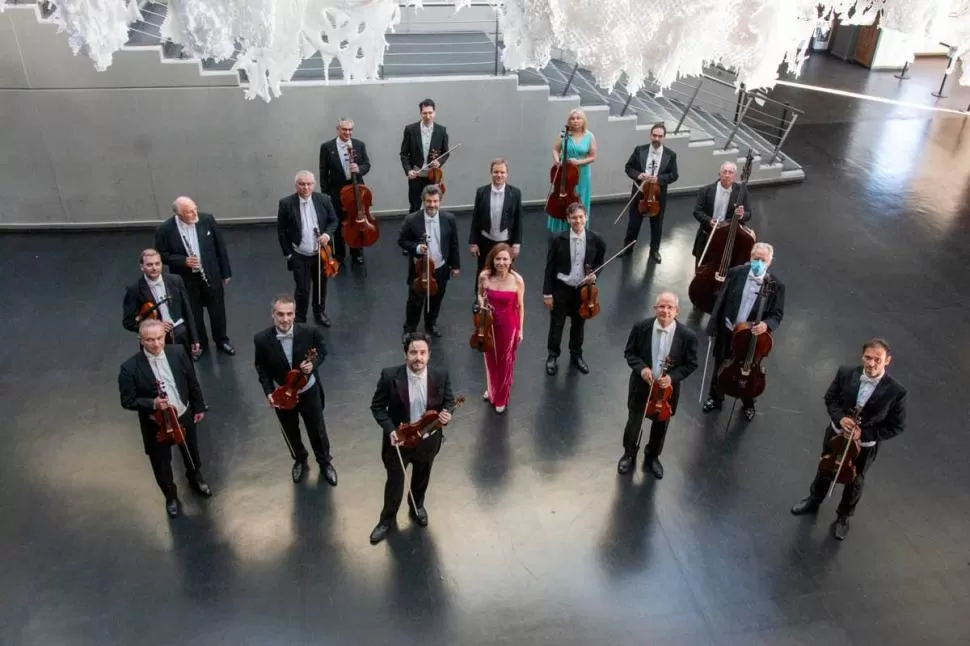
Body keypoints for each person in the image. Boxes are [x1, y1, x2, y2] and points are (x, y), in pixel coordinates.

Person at [790, 339, 907, 541]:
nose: (871, 364)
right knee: (826, 466)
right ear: (862, 356)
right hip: (836, 434)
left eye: (877, 360)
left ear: (887, 360)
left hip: (863, 446)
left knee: (855, 479)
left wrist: (864, 434)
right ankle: (814, 499)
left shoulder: (897, 391)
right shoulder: (845, 372)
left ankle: (843, 516)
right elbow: (830, 399)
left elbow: (896, 426)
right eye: (867, 358)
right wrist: (840, 418)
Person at [118, 319, 212, 518]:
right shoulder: (129, 368)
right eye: (150, 340)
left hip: (183, 413)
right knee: (161, 463)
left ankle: (195, 476)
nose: (156, 343)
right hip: (156, 424)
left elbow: (191, 380)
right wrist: (152, 403)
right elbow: (127, 401)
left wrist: (198, 406)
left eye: (160, 338)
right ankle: (170, 495)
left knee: (191, 450)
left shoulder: (178, 352)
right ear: (140, 340)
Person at [368, 332, 455, 544]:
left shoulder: (441, 375)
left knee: (422, 476)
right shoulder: (389, 376)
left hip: (428, 439)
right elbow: (377, 407)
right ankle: (386, 519)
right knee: (395, 482)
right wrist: (391, 430)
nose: (418, 357)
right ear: (405, 354)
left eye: (423, 353)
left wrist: (447, 414)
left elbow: (449, 402)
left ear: (429, 354)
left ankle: (417, 505)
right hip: (399, 441)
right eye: (413, 352)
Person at [254, 295, 338, 486]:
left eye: (289, 314)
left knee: (317, 429)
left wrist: (313, 364)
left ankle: (325, 462)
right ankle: (300, 459)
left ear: (294, 314)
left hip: (309, 391)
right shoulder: (261, 339)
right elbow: (262, 368)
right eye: (280, 314)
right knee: (290, 430)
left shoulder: (310, 332)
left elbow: (322, 351)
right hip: (283, 394)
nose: (285, 319)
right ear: (273, 314)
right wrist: (269, 392)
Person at [618, 292, 699, 478]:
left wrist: (672, 377)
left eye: (670, 307)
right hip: (641, 385)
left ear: (677, 311)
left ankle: (652, 456)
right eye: (662, 306)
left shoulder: (687, 336)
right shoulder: (641, 327)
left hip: (667, 391)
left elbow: (691, 364)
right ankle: (629, 453)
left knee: (661, 426)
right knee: (634, 423)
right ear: (655, 309)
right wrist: (642, 369)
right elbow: (630, 353)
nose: (666, 310)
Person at [702, 243, 785, 420]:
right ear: (750, 257)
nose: (759, 263)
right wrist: (713, 326)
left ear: (770, 262)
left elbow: (777, 314)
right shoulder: (736, 273)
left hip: (750, 338)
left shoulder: (776, 286)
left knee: (748, 371)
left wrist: (766, 325)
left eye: (763, 260)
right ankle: (715, 397)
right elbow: (721, 299)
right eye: (756, 258)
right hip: (728, 331)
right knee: (719, 366)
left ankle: (748, 402)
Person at [154, 196, 235, 357]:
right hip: (186, 279)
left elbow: (220, 246)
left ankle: (222, 340)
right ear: (179, 215)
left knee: (217, 310)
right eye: (189, 212)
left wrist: (225, 272)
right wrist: (183, 261)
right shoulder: (165, 230)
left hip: (211, 274)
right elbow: (161, 255)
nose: (194, 214)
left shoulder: (206, 219)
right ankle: (200, 343)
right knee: (193, 313)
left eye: (195, 209)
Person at [542, 202, 606, 376]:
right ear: (568, 219)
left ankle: (576, 354)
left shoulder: (597, 239)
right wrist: (547, 293)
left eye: (580, 217)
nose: (578, 221)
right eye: (574, 217)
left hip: (583, 291)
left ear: (586, 217)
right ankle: (553, 355)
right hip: (562, 289)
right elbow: (549, 268)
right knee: (557, 324)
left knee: (579, 325)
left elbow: (600, 263)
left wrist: (595, 274)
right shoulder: (557, 240)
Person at [276, 170, 339, 327]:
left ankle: (319, 313)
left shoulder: (324, 199)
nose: (305, 187)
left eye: (309, 184)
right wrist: (288, 255)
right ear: (296, 185)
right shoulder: (286, 203)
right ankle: (300, 317)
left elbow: (334, 220)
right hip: (299, 254)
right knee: (302, 288)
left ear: (314, 185)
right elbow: (281, 231)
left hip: (321, 254)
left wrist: (327, 234)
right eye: (302, 184)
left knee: (320, 286)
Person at [399, 184, 460, 339]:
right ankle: (410, 328)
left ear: (440, 201)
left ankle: (431, 324)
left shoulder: (449, 219)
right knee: (415, 300)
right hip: (419, 269)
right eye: (428, 201)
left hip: (441, 267)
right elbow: (402, 241)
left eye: (435, 201)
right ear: (423, 201)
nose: (432, 205)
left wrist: (455, 265)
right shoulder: (411, 219)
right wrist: (417, 248)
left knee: (436, 298)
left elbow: (453, 243)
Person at [122, 248, 200, 358]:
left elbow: (187, 309)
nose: (154, 268)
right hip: (154, 341)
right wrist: (155, 326)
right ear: (142, 267)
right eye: (149, 265)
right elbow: (128, 322)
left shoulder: (176, 280)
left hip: (180, 335)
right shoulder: (134, 290)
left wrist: (194, 338)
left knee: (185, 367)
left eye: (157, 264)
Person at [476, 243, 525, 413]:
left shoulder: (517, 280)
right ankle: (492, 389)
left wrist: (520, 330)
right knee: (489, 357)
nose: (501, 262)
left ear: (511, 260)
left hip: (508, 324)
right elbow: (480, 294)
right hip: (487, 323)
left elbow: (520, 306)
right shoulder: (484, 276)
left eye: (505, 259)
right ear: (493, 260)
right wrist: (483, 304)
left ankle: (501, 397)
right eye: (498, 259)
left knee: (504, 361)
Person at [622, 123, 679, 263]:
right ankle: (628, 248)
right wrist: (639, 175)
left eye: (660, 136)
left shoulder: (671, 154)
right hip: (640, 192)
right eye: (654, 135)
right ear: (650, 135)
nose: (657, 138)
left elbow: (674, 175)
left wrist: (658, 179)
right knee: (634, 222)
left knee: (657, 224)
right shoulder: (639, 150)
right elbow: (628, 167)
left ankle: (654, 250)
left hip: (657, 195)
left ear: (664, 137)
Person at [319, 118, 371, 264]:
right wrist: (325, 194)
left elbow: (367, 164)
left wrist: (359, 169)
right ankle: (340, 254)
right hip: (336, 191)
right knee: (337, 222)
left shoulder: (359, 145)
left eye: (350, 130)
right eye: (344, 129)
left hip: (356, 190)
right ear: (338, 129)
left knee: (357, 221)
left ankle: (357, 253)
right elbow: (323, 171)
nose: (347, 133)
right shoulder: (327, 147)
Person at [468, 159, 523, 283]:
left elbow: (518, 219)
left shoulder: (515, 193)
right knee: (483, 269)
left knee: (504, 270)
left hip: (505, 240)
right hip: (485, 239)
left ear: (507, 174)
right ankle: (480, 294)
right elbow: (476, 217)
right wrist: (473, 242)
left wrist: (516, 244)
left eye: (502, 172)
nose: (499, 175)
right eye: (496, 172)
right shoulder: (481, 192)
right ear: (491, 173)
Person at [691, 161, 752, 264]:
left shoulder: (742, 191)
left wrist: (742, 215)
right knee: (702, 265)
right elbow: (697, 211)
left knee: (725, 264)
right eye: (724, 172)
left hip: (728, 236)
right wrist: (709, 220)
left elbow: (749, 213)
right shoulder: (705, 190)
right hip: (708, 233)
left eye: (730, 172)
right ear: (720, 174)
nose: (727, 175)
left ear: (735, 176)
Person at [548, 108, 596, 234]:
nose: (575, 121)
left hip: (582, 173)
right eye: (572, 118)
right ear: (569, 121)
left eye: (578, 118)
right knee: (562, 197)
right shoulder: (563, 134)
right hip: (564, 171)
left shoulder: (590, 136)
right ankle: (561, 228)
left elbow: (592, 157)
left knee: (579, 198)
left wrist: (578, 162)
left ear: (583, 120)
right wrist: (557, 160)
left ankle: (578, 227)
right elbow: (555, 150)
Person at [400, 98, 450, 213]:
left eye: (430, 113)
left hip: (434, 176)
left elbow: (446, 152)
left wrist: (439, 162)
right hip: (416, 175)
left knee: (433, 207)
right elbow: (404, 153)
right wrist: (408, 170)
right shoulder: (410, 130)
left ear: (434, 113)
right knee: (415, 207)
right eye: (425, 113)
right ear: (420, 113)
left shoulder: (441, 130)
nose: (428, 116)